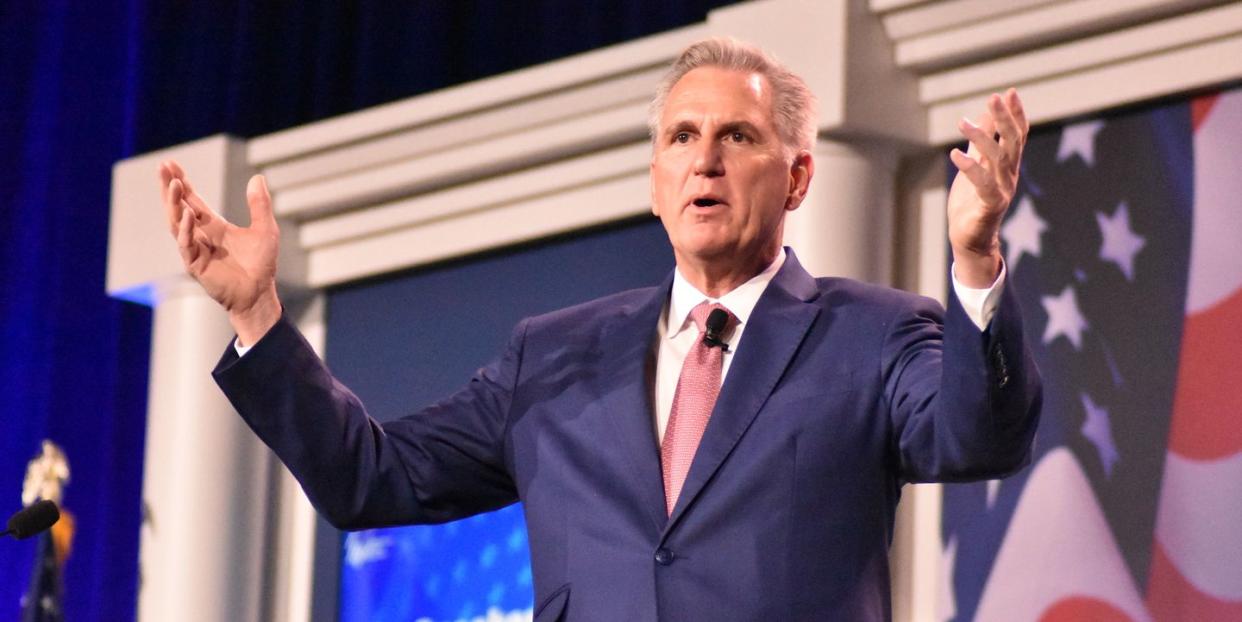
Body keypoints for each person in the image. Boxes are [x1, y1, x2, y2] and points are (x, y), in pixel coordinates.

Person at [159, 38, 1039, 621]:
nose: (705, 158)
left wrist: (973, 256)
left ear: (799, 177)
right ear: (655, 177)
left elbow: (978, 435)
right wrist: (254, 313)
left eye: (737, 135)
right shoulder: (553, 355)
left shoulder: (872, 333)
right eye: (682, 138)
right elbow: (369, 479)